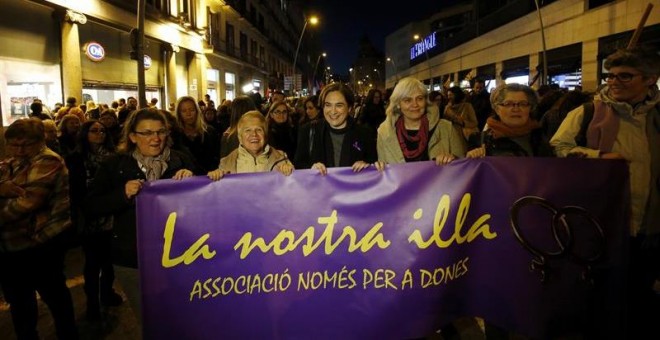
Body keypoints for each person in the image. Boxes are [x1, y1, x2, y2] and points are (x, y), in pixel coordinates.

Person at [550, 46, 660, 338]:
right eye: (610, 75)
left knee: (640, 299)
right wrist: (596, 156)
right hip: (602, 225)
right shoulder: (587, 112)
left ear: (650, 79)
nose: (614, 82)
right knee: (598, 300)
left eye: (626, 76)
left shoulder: (657, 116)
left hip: (650, 229)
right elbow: (559, 148)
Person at [87, 108, 198, 326]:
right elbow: (91, 206)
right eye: (147, 133)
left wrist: (193, 181)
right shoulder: (114, 165)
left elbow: (206, 204)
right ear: (133, 136)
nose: (155, 139)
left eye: (160, 132)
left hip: (180, 256)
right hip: (132, 259)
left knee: (183, 319)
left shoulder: (183, 160)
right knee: (151, 321)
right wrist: (122, 194)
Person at [0, 118, 78, 339]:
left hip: (42, 242)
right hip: (12, 246)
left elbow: (27, 202)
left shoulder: (48, 161)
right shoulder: (12, 162)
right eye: (13, 145)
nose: (19, 150)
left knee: (54, 296)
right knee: (19, 302)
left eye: (25, 144)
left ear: (40, 141)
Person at [65, 120, 122, 321]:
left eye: (102, 131)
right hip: (89, 217)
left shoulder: (114, 157)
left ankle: (107, 292)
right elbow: (74, 190)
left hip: (111, 216)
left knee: (109, 261)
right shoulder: (76, 158)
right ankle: (92, 303)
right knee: (92, 263)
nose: (99, 134)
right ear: (85, 134)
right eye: (94, 131)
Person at [377, 77, 466, 166]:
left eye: (419, 99)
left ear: (425, 101)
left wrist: (453, 159)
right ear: (398, 104)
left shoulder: (446, 128)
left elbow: (463, 166)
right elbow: (384, 172)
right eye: (407, 100)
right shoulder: (384, 132)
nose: (415, 104)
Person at [294, 83, 378, 175]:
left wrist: (368, 167)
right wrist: (311, 169)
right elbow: (298, 166)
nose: (333, 111)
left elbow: (374, 165)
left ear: (349, 108)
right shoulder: (308, 131)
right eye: (328, 105)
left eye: (339, 105)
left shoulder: (365, 134)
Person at [467, 83, 554, 158]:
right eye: (508, 104)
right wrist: (471, 159)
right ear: (497, 109)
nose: (516, 109)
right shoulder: (480, 140)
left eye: (523, 104)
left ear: (530, 108)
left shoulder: (541, 136)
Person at [208, 111, 293, 180]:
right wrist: (215, 176)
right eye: (248, 130)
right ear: (240, 137)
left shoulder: (281, 159)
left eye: (259, 130)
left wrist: (290, 171)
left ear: (266, 135)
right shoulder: (226, 164)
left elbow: (293, 188)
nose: (254, 134)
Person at [175, 96, 221, 172]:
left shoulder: (210, 132)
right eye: (184, 111)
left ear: (197, 111)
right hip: (185, 179)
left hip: (210, 178)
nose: (188, 114)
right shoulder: (175, 135)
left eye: (192, 110)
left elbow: (217, 156)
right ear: (179, 114)